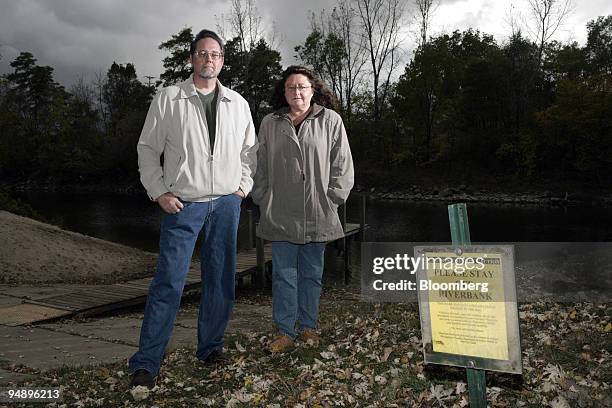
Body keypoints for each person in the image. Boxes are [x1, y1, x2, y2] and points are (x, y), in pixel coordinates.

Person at [129, 29, 257, 388]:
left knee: (220, 281)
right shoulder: (169, 98)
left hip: (227, 205)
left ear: (222, 61)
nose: (209, 60)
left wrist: (242, 188)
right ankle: (147, 362)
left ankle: (211, 347)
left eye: (215, 54)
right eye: (202, 54)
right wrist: (158, 192)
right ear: (192, 59)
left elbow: (251, 153)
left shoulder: (238, 103)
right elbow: (147, 150)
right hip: (183, 205)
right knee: (168, 282)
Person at [251, 66, 354, 353]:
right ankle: (285, 331)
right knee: (283, 274)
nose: (296, 92)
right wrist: (262, 196)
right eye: (290, 87)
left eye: (302, 87)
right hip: (281, 212)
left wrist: (331, 199)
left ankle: (308, 327)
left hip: (317, 213)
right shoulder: (271, 122)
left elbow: (343, 166)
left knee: (311, 274)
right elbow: (259, 166)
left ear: (313, 90)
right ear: (283, 92)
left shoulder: (330, 120)